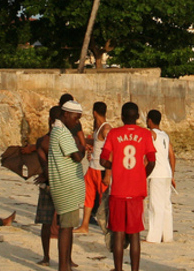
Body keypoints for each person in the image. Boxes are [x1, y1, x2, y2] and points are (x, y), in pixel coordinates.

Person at [100, 102, 156, 271]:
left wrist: (114, 165)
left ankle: (118, 269)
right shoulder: (145, 134)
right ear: (138, 117)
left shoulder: (113, 134)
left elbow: (103, 160)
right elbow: (152, 161)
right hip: (137, 191)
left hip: (118, 190)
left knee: (118, 233)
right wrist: (141, 175)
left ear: (122, 117)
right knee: (134, 234)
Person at [49, 101, 86, 271]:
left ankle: (66, 265)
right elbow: (77, 156)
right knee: (65, 228)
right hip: (66, 185)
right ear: (66, 115)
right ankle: (63, 266)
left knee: (68, 227)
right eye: (75, 118)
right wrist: (83, 148)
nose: (77, 122)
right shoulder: (62, 133)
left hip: (64, 185)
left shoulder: (57, 131)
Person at [34, 106, 63, 266]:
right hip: (64, 184)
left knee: (46, 223)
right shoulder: (67, 140)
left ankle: (46, 257)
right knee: (65, 225)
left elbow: (44, 165)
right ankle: (67, 259)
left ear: (50, 120)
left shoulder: (43, 141)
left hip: (48, 184)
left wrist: (45, 174)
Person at [76, 101, 110, 234]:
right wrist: (82, 141)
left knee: (104, 199)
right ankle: (84, 225)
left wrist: (108, 173)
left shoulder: (106, 129)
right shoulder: (99, 128)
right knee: (88, 197)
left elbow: (110, 151)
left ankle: (108, 226)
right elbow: (97, 143)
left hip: (101, 169)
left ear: (94, 112)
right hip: (93, 167)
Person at [144, 109, 175, 243]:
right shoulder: (165, 135)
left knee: (155, 205)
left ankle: (154, 237)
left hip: (157, 173)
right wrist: (172, 174)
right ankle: (167, 235)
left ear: (150, 120)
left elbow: (147, 153)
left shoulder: (151, 134)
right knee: (166, 205)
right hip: (167, 173)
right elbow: (172, 155)